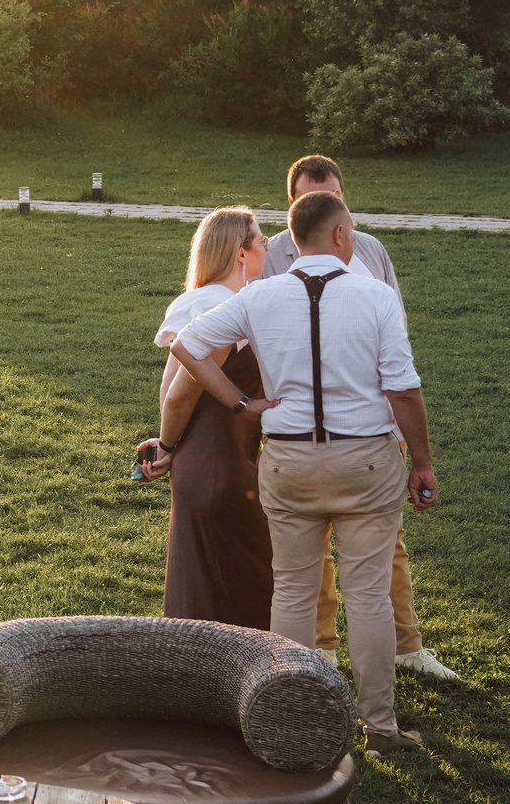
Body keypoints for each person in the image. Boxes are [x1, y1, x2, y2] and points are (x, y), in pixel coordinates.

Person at [172, 190, 439, 755]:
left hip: (288, 459)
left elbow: (189, 348)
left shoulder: (262, 294)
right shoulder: (374, 295)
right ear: (341, 236)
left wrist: (241, 405)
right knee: (367, 595)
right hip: (366, 459)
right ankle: (381, 729)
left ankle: (288, 718)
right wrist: (422, 460)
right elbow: (404, 388)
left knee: (292, 592)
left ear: (290, 242)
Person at [264, 155, 460, 682]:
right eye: (315, 197)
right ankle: (323, 649)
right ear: (294, 205)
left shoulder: (370, 250)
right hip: (301, 432)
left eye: (338, 198)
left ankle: (407, 647)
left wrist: (401, 432)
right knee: (311, 557)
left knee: (387, 546)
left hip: (371, 428)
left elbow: (395, 345)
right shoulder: (270, 257)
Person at [139, 207, 272, 627]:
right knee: (237, 590)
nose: (267, 243)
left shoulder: (200, 300)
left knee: (205, 588)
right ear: (239, 252)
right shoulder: (221, 306)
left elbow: (168, 389)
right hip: (222, 465)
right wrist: (169, 444)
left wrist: (168, 446)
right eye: (259, 236)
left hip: (206, 463)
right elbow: (180, 394)